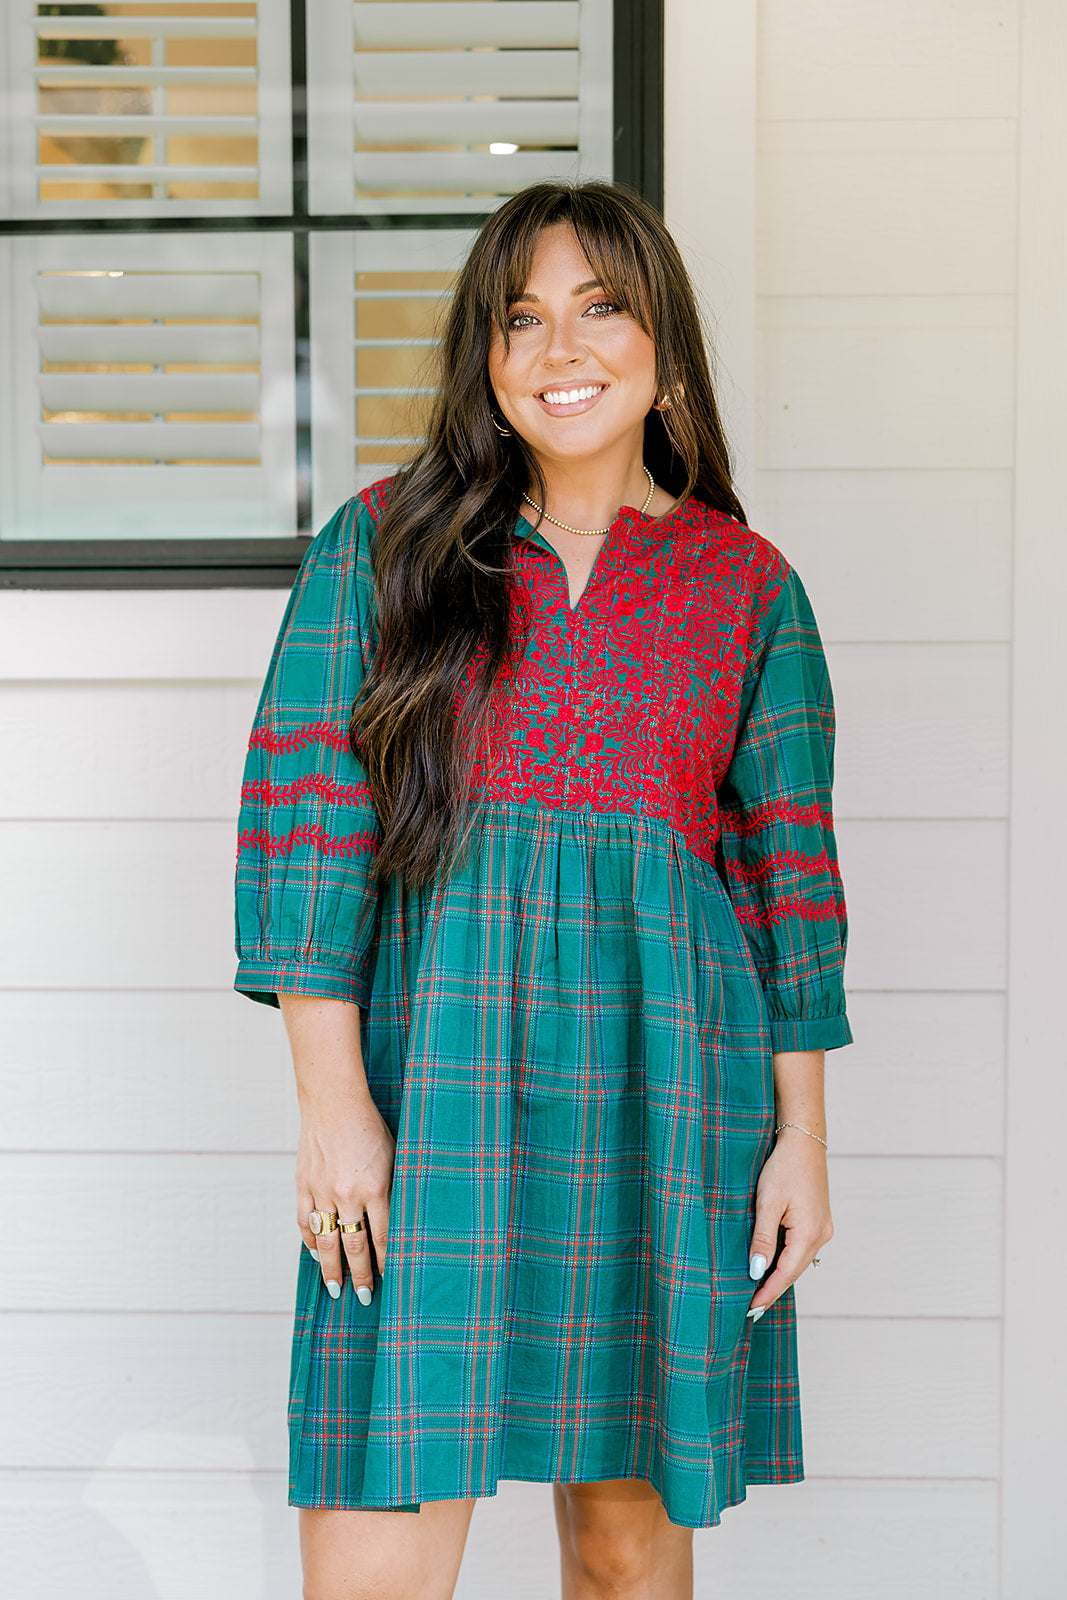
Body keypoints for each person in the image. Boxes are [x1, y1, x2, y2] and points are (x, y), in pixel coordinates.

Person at [234, 180, 850, 1600]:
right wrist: (334, 1111)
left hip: (669, 1102)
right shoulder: (381, 549)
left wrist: (801, 1138)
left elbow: (789, 882)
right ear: (487, 359)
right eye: (522, 318)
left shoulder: (751, 589)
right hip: (432, 1090)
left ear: (664, 352)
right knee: (377, 1547)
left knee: (629, 1553)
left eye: (600, 308)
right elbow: (304, 833)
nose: (560, 347)